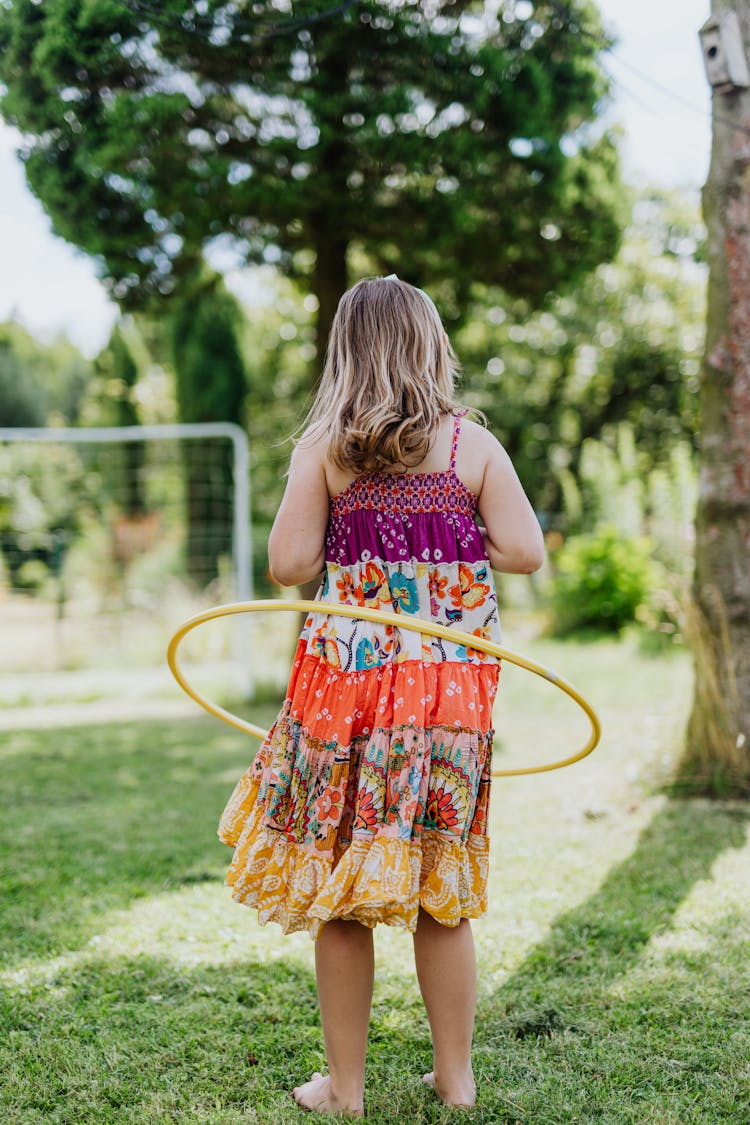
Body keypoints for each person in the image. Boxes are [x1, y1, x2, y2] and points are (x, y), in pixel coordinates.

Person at [218, 276, 545, 1116]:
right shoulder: (470, 446)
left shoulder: (325, 448)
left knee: (343, 891)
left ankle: (348, 1088)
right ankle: (455, 1078)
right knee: (440, 886)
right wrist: (443, 539)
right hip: (448, 696)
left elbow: (290, 569)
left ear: (345, 353)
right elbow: (524, 549)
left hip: (349, 694)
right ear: (431, 347)